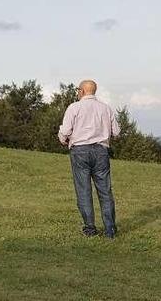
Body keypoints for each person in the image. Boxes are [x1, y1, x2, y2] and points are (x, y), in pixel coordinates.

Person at [58, 79, 120, 238]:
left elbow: (65, 131)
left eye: (78, 90)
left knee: (83, 190)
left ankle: (90, 228)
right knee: (105, 191)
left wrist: (63, 139)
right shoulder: (106, 108)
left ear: (82, 91)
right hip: (101, 151)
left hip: (79, 151)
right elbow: (117, 132)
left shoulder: (74, 108)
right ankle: (110, 230)